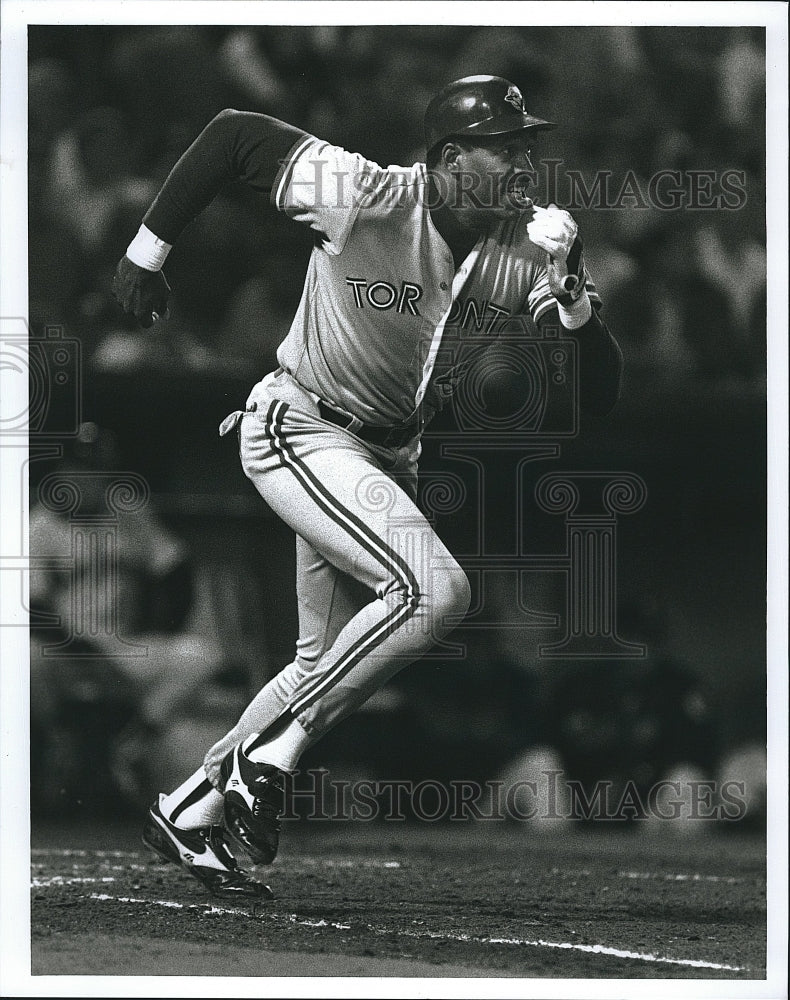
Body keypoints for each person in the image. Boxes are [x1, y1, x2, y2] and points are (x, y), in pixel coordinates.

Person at [112, 74, 623, 899]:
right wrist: (147, 250)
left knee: (322, 663)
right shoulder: (370, 193)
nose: (527, 159)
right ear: (454, 158)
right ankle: (261, 756)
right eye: (508, 144)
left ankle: (192, 804)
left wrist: (573, 302)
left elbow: (596, 397)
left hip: (388, 456)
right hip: (302, 426)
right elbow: (233, 133)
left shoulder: (532, 244)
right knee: (436, 590)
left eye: (530, 143)